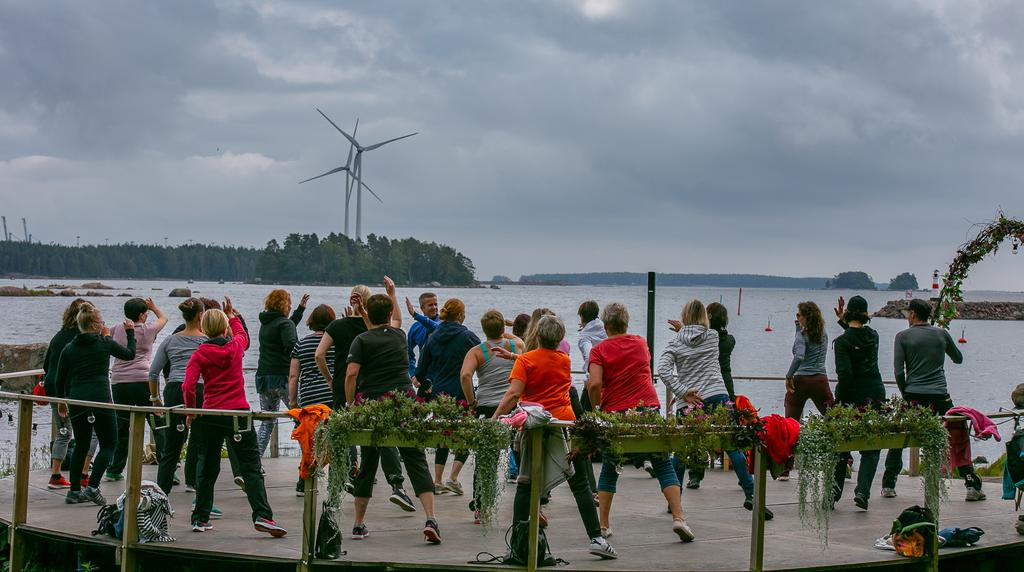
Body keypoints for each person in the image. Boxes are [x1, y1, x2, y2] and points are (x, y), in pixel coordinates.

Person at [493, 315, 618, 560]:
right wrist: (515, 357)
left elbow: (513, 393)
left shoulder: (526, 362)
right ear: (560, 339)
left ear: (536, 335)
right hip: (565, 426)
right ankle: (597, 538)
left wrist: (495, 417)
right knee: (580, 485)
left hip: (536, 428)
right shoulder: (564, 360)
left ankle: (517, 545)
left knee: (525, 485)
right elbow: (543, 362)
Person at [587, 303, 693, 542]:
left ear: (605, 325)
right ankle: (678, 517)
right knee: (663, 464)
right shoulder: (640, 343)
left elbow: (594, 384)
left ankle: (603, 525)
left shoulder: (599, 350)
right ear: (626, 322)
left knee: (610, 466)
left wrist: (596, 408)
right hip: (648, 410)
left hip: (615, 414)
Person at [659, 300, 773, 520]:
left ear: (684, 317)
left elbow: (663, 369)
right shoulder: (712, 337)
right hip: (717, 395)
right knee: (732, 445)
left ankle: (674, 499)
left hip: (690, 402)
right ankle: (751, 495)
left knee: (682, 451)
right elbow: (695, 335)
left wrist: (682, 391)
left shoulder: (675, 344)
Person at [183, 298, 287, 537]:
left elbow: (188, 385)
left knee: (207, 467)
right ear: (224, 328)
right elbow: (243, 335)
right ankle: (262, 516)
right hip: (238, 413)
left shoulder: (200, 353)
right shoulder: (235, 346)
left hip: (211, 414)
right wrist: (231, 316)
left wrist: (191, 411)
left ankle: (200, 517)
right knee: (251, 467)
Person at [345, 291, 442, 544]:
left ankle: (358, 524)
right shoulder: (399, 335)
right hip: (404, 401)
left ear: (370, 314)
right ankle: (431, 518)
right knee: (415, 458)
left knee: (368, 463)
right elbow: (390, 323)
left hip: (373, 402)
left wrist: (350, 402)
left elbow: (351, 374)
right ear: (388, 314)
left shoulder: (361, 340)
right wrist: (392, 293)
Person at [316, 282, 416, 511]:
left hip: (344, 386)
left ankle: (344, 480)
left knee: (343, 435)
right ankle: (397, 485)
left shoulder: (337, 326)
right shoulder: (379, 328)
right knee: (384, 435)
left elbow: (319, 354)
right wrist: (392, 294)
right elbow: (398, 322)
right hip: (370, 387)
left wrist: (330, 380)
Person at [881, 299, 982, 501]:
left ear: (912, 315)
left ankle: (889, 484)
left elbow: (898, 371)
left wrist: (906, 393)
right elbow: (958, 358)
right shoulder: (941, 333)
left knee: (900, 436)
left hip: (914, 394)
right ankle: (971, 485)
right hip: (940, 394)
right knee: (957, 435)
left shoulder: (902, 337)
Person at [149, 297, 228, 512]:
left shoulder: (170, 340)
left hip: (174, 390)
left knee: (171, 448)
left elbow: (153, 373)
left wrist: (155, 399)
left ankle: (159, 499)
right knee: (204, 447)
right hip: (203, 392)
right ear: (202, 316)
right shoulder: (207, 342)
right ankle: (201, 499)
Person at [54, 304, 136, 505]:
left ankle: (73, 491)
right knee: (109, 443)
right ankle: (92, 486)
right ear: (93, 325)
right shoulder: (104, 343)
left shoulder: (70, 348)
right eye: (101, 322)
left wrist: (61, 400)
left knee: (81, 444)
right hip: (101, 399)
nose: (103, 324)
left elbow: (59, 378)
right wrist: (130, 332)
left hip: (77, 399)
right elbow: (129, 354)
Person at [460, 309, 522, 523]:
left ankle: (480, 507)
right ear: (503, 329)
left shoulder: (477, 351)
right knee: (521, 453)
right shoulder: (517, 347)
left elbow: (466, 375)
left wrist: (470, 401)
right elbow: (515, 340)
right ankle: (531, 506)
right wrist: (506, 331)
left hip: (486, 407)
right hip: (512, 406)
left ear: (483, 329)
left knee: (486, 459)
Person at [415, 298, 481, 494]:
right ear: (460, 315)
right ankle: (453, 477)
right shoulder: (468, 337)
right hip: (462, 391)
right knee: (467, 435)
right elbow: (484, 355)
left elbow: (420, 371)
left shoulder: (433, 337)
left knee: (443, 435)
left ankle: (437, 480)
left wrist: (423, 381)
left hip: (439, 393)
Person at [830, 296, 886, 510]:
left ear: (849, 314)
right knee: (871, 445)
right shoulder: (874, 336)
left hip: (852, 396)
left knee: (841, 445)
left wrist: (838, 402)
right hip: (875, 393)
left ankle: (834, 492)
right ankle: (862, 491)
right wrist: (844, 320)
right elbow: (858, 335)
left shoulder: (842, 343)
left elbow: (845, 375)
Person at [106, 297, 168, 481]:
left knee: (122, 427)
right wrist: (154, 307)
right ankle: (167, 467)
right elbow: (164, 318)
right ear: (142, 315)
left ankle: (115, 469)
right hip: (142, 380)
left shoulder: (116, 328)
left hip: (118, 382)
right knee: (157, 423)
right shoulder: (148, 329)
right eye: (145, 312)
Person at [42, 298, 97, 490]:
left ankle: (57, 474)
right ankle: (83, 473)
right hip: (72, 390)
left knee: (64, 431)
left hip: (54, 388)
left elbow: (46, 364)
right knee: (92, 432)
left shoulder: (58, 336)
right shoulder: (82, 339)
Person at [288, 303, 337, 496]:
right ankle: (336, 481)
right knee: (334, 439)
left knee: (309, 440)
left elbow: (293, 376)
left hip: (309, 397)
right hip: (331, 395)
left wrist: (293, 402)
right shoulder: (336, 342)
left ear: (311, 322)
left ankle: (304, 480)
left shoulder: (301, 344)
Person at [781, 301, 833, 479]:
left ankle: (786, 467)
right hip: (820, 379)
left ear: (805, 316)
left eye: (799, 315)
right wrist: (797, 329)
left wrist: (788, 376)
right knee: (833, 417)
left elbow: (799, 355)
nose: (797, 318)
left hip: (801, 379)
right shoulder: (823, 333)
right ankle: (845, 460)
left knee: (790, 424)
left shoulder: (803, 335)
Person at [255, 289, 308, 456]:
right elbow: (293, 345)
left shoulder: (267, 322)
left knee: (267, 422)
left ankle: (254, 461)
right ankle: (307, 458)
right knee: (301, 417)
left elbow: (286, 326)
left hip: (264, 378)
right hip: (283, 379)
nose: (291, 306)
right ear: (284, 304)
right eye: (289, 303)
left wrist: (300, 311)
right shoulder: (284, 324)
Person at [405, 292, 440, 381]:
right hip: (423, 378)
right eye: (430, 305)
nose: (434, 308)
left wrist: (415, 315)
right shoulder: (415, 328)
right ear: (422, 308)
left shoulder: (444, 323)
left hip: (441, 377)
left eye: (435, 304)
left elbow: (436, 327)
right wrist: (413, 374)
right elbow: (408, 353)